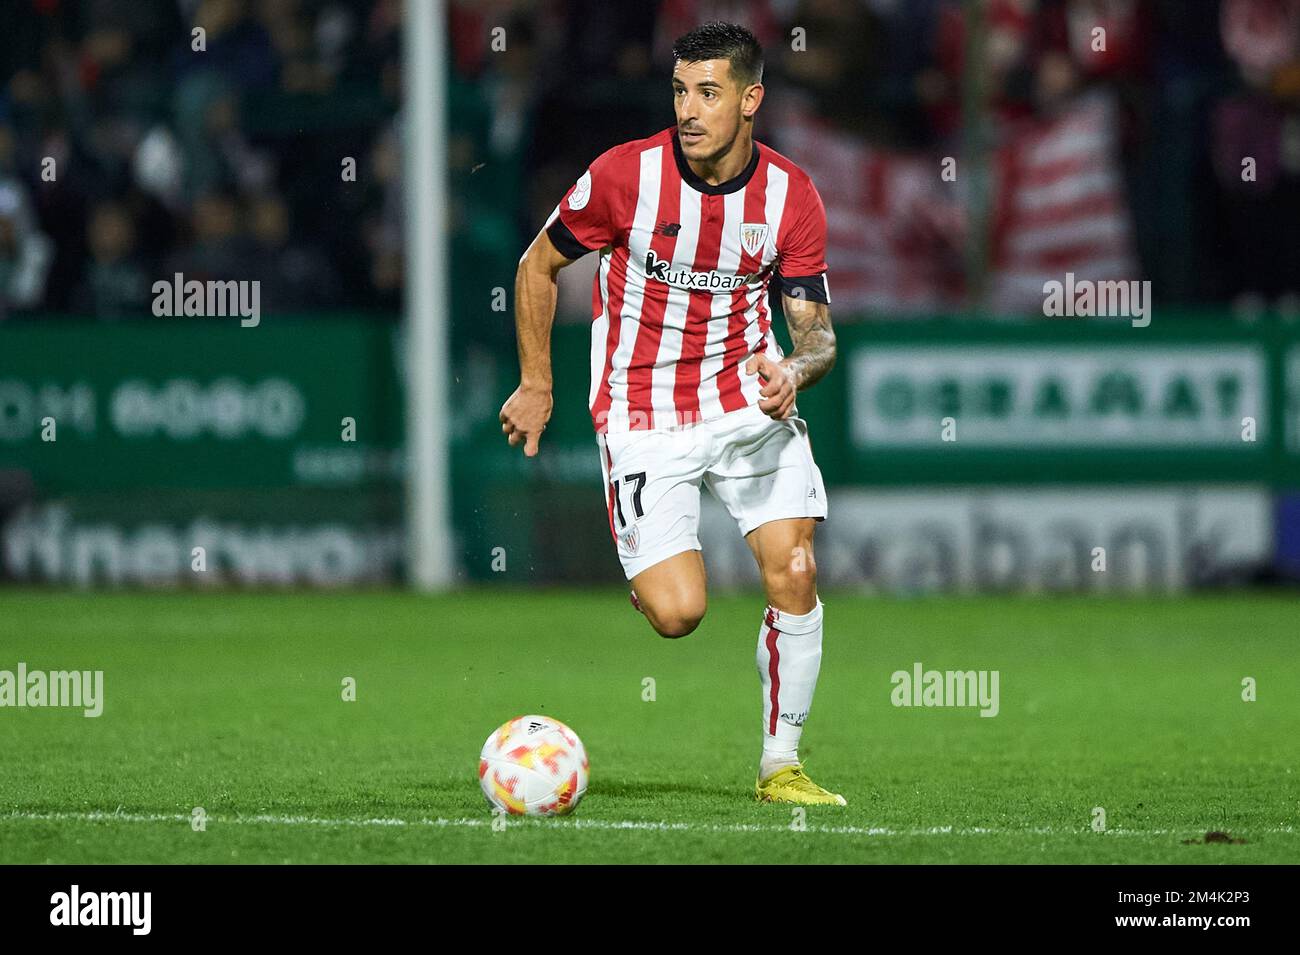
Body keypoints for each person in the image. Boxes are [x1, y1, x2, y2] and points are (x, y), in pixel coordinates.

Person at [499, 22, 843, 805]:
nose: (689, 109)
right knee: (678, 613)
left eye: (709, 93)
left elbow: (817, 337)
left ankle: (780, 765)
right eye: (681, 91)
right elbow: (538, 263)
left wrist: (792, 370)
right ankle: (647, 566)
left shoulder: (791, 195)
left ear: (751, 99)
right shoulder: (627, 176)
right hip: (643, 409)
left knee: (794, 566)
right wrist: (536, 382)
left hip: (745, 401)